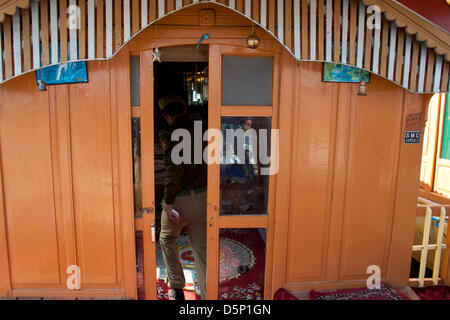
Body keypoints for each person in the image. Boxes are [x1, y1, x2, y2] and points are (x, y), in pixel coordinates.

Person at [157, 95, 207, 300]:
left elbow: (173, 171)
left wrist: (168, 203)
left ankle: (177, 286)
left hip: (179, 200)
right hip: (204, 198)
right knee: (202, 250)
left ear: (166, 116)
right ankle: (206, 294)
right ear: (184, 112)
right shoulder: (202, 130)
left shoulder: (169, 133)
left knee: (167, 238)